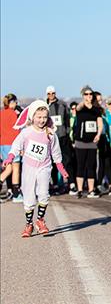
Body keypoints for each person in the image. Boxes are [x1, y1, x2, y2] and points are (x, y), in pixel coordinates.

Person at [2, 100, 68, 237]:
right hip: (29, 169)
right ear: (32, 117)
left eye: (44, 117)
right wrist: (10, 157)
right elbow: (16, 146)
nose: (42, 120)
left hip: (44, 167)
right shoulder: (26, 133)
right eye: (39, 117)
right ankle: (29, 225)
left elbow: (56, 152)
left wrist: (61, 167)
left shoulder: (50, 134)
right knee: (29, 197)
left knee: (43, 194)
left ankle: (40, 221)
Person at [73, 85, 103, 198]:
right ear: (83, 95)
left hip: (92, 142)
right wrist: (84, 100)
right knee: (80, 166)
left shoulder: (96, 109)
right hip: (80, 141)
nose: (89, 96)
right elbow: (78, 108)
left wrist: (98, 135)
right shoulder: (80, 108)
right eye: (86, 94)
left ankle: (91, 190)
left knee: (91, 166)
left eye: (90, 94)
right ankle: (80, 190)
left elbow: (100, 124)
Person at [46, 85, 76, 195]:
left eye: (53, 93)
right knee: (53, 163)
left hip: (63, 137)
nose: (51, 95)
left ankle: (71, 184)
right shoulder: (45, 106)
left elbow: (68, 120)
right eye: (49, 93)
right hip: (51, 138)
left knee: (67, 161)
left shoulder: (62, 105)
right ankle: (56, 185)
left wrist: (67, 134)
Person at [0, 93, 23, 203]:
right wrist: (21, 147)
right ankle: (16, 194)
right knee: (16, 169)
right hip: (12, 144)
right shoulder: (13, 114)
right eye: (15, 102)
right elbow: (16, 131)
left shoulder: (1, 113)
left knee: (8, 169)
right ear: (11, 102)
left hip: (3, 144)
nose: (16, 104)